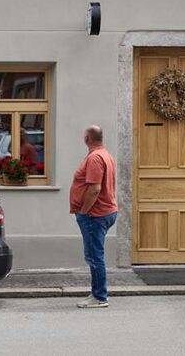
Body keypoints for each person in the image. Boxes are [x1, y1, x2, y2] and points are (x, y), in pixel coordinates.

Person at [69, 125, 118, 308]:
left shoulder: (95, 158)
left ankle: (99, 296)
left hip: (95, 214)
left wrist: (84, 210)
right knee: (95, 254)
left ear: (87, 139)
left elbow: (95, 188)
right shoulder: (106, 155)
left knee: (94, 255)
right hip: (104, 212)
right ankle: (98, 293)